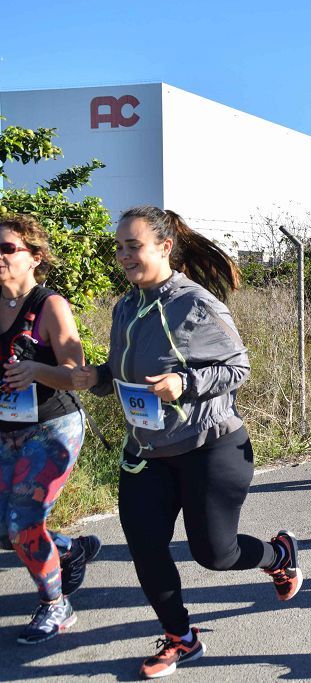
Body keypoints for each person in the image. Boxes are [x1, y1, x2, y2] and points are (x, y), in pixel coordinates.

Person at [71, 207, 300, 679]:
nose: (123, 256)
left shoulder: (196, 305)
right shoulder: (126, 306)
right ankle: (181, 638)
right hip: (146, 452)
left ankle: (279, 554)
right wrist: (92, 377)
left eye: (132, 247)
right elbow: (120, 372)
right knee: (145, 547)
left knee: (215, 554)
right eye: (119, 247)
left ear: (163, 247)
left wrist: (185, 383)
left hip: (209, 446)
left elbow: (239, 368)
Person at [0, 215, 101, 645]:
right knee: (7, 530)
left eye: (8, 249)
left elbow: (77, 374)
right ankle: (69, 549)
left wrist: (37, 369)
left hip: (53, 424)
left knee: (22, 522)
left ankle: (56, 606)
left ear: (35, 257)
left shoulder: (49, 305)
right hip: (6, 426)